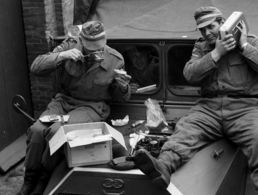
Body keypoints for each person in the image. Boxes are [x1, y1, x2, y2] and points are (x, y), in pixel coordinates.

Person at [132, 6, 258, 190]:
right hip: (209, 108)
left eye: (211, 27)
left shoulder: (250, 41)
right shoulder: (201, 47)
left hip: (245, 107)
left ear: (223, 23)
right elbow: (190, 74)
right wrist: (217, 53)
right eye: (202, 29)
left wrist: (244, 46)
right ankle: (162, 168)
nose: (207, 33)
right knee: (184, 131)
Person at [19, 21, 131, 195]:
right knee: (36, 130)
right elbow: (36, 67)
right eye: (90, 47)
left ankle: (44, 178)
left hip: (91, 106)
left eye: (99, 47)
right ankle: (30, 179)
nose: (96, 51)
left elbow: (120, 98)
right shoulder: (69, 46)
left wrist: (123, 87)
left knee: (58, 132)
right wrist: (62, 56)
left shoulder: (115, 60)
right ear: (81, 40)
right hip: (63, 101)